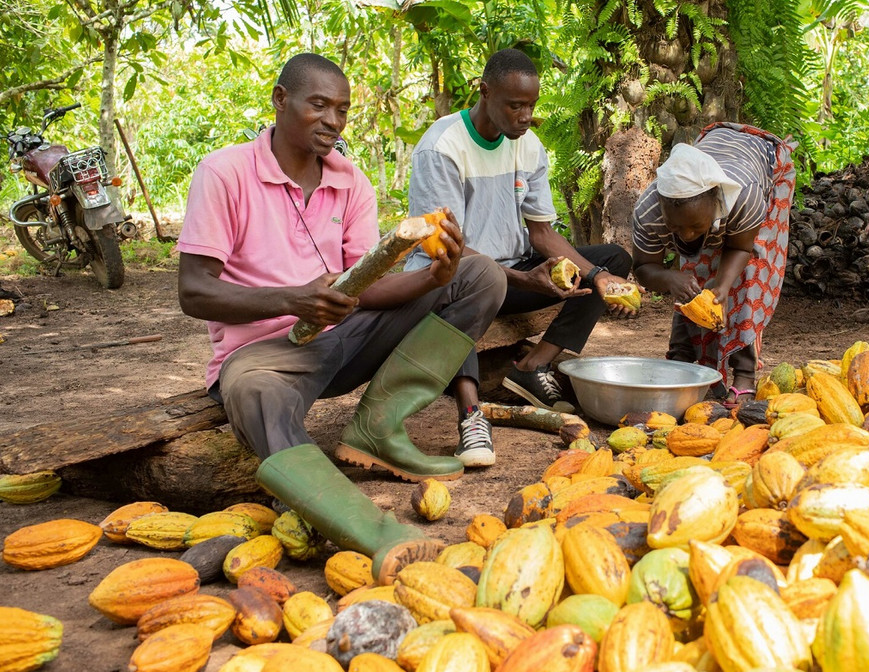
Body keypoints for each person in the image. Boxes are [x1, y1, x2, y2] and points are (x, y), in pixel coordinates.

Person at [176, 53, 506, 583]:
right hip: (261, 357)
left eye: (343, 109)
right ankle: (374, 534)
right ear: (281, 100)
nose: (333, 120)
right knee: (258, 396)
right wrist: (293, 300)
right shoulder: (224, 173)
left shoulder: (349, 180)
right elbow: (194, 293)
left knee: (481, 274)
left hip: (344, 339)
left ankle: (377, 428)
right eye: (319, 105)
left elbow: (364, 287)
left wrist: (434, 280)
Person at [405, 48, 634, 468]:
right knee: (470, 281)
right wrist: (525, 280)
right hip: (450, 275)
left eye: (531, 105)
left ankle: (532, 365)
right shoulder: (441, 147)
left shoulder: (528, 146)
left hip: (513, 273)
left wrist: (597, 277)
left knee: (612, 260)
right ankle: (471, 415)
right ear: (485, 92)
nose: (526, 116)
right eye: (516, 105)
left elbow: (543, 233)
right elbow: (445, 250)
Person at [631, 123, 797, 408]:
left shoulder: (743, 197)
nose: (686, 236)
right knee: (692, 279)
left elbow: (741, 247)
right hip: (717, 153)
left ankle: (744, 373)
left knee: (748, 275)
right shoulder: (648, 213)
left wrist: (722, 285)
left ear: (716, 200)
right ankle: (682, 359)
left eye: (696, 226)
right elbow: (644, 268)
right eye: (675, 227)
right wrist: (670, 279)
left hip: (765, 164)